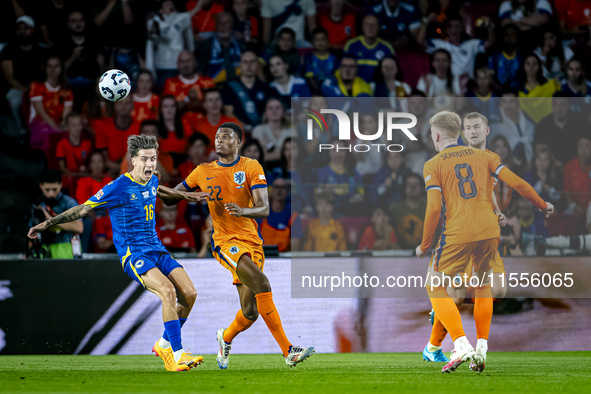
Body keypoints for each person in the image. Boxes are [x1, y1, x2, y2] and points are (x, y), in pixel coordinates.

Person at [28, 134, 211, 371]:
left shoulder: (152, 179)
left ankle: (164, 343)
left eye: (153, 158)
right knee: (167, 291)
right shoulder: (117, 187)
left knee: (190, 293)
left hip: (157, 249)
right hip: (134, 254)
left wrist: (186, 195)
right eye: (144, 159)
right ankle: (176, 355)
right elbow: (83, 209)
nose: (149, 164)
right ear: (133, 160)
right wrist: (47, 223)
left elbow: (159, 191)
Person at [164, 122, 315, 368]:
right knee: (262, 283)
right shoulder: (202, 171)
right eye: (217, 136)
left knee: (250, 312)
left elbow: (264, 208)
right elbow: (170, 197)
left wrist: (243, 210)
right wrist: (178, 193)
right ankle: (288, 351)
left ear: (238, 142)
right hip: (225, 242)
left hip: (252, 242)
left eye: (226, 137)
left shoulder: (250, 166)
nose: (219, 140)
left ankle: (225, 338)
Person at [416, 111, 553, 373]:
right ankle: (479, 348)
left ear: (436, 135)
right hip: (490, 232)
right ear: (461, 133)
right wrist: (542, 204)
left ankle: (459, 343)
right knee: (483, 287)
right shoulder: (486, 158)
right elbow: (518, 183)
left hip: (458, 233)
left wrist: (424, 245)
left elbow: (434, 209)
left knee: (435, 285)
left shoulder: (433, 163)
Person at [423, 112, 508, 364]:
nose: (472, 132)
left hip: (482, 234)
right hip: (462, 236)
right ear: (461, 134)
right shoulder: (461, 158)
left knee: (498, 289)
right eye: (468, 128)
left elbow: (487, 196)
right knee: (455, 293)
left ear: (487, 131)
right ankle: (440, 345)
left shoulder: (489, 159)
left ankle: (443, 332)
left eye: (476, 127)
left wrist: (497, 212)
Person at [0, 16, 47, 132]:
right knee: (17, 103)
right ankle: (20, 131)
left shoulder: (41, 51)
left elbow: (46, 74)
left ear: (32, 30)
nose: (22, 32)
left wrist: (34, 89)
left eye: (25, 28)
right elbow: (9, 78)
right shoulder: (8, 50)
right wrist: (24, 89)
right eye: (19, 29)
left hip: (37, 88)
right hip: (16, 89)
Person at [28, 169, 84, 259]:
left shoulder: (69, 203)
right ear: (41, 186)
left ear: (60, 185)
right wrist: (28, 253)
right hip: (43, 250)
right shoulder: (38, 204)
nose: (51, 193)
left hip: (65, 252)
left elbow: (79, 227)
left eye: (54, 189)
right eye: (47, 190)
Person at [146, 1, 200, 90]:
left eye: (172, 5)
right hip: (162, 67)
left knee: (182, 91)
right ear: (161, 9)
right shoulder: (154, 21)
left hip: (180, 66)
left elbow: (190, 42)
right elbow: (151, 44)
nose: (170, 7)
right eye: (167, 5)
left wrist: (192, 60)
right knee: (166, 92)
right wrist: (150, 69)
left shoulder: (181, 20)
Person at [426, 14, 494, 83]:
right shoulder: (440, 44)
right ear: (446, 29)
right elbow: (420, 41)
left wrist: (490, 27)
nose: (453, 29)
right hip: (449, 86)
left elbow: (490, 42)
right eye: (450, 26)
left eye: (456, 26)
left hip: (469, 85)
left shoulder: (472, 44)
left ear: (462, 28)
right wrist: (426, 21)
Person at [58, 10, 103, 112]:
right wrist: (73, 57)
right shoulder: (62, 43)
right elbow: (58, 70)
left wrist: (102, 65)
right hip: (71, 85)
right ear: (68, 24)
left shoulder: (93, 41)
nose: (78, 24)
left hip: (91, 85)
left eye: (80, 20)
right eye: (74, 21)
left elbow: (102, 69)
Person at [221, 51, 276, 132]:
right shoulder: (229, 88)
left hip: (263, 130)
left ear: (257, 65)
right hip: (238, 131)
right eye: (245, 62)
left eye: (252, 62)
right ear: (240, 65)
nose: (249, 66)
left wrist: (260, 128)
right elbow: (229, 113)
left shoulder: (266, 88)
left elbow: (270, 111)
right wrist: (245, 128)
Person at [28, 55, 74, 153]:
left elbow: (66, 115)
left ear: (61, 69)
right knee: (49, 137)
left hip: (59, 123)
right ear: (45, 69)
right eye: (49, 66)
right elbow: (41, 112)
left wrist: (64, 126)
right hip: (40, 122)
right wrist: (55, 127)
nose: (53, 69)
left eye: (56, 66)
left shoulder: (66, 90)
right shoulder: (36, 86)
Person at [534, 92, 587, 166]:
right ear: (552, 106)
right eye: (556, 104)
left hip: (578, 165)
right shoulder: (543, 125)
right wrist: (554, 161)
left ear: (569, 106)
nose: (559, 108)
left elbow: (587, 145)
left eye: (563, 104)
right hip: (553, 166)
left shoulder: (580, 122)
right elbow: (540, 149)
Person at [183, 88, 242, 153]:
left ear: (221, 102)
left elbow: (239, 148)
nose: (214, 103)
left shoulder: (232, 123)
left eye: (217, 99)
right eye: (210, 100)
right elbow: (191, 150)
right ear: (204, 104)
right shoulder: (197, 125)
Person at [91, 96, 140, 173]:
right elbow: (104, 160)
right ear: (115, 105)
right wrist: (122, 168)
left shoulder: (139, 128)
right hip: (109, 174)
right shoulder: (103, 126)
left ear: (132, 106)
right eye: (120, 103)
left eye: (127, 103)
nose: (124, 106)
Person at [489, 89, 535, 166]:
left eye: (512, 101)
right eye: (505, 101)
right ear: (501, 103)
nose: (508, 106)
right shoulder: (495, 127)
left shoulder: (529, 125)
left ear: (517, 103)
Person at [343, 15, 395, 83]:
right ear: (362, 27)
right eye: (367, 24)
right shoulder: (351, 45)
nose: (370, 27)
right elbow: (343, 69)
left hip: (379, 86)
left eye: (374, 25)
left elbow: (391, 73)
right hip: (355, 84)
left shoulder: (387, 48)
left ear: (378, 28)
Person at [195, 12, 242, 83]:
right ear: (216, 26)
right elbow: (200, 72)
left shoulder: (240, 43)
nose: (223, 26)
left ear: (232, 25)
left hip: (238, 86)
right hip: (215, 87)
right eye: (220, 23)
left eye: (226, 23)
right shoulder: (207, 45)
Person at [258, 178, 300, 252]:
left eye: (282, 187)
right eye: (276, 187)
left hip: (285, 258)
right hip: (264, 256)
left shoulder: (293, 215)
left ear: (287, 191)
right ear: (271, 190)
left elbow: (295, 246)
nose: (279, 190)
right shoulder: (260, 213)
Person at [517, 53, 560, 123]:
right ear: (523, 66)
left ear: (539, 67)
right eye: (528, 64)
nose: (531, 67)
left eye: (534, 64)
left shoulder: (549, 86)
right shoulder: (519, 90)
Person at [388, 173, 426, 250]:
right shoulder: (395, 208)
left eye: (416, 184)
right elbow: (388, 232)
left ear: (422, 188)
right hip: (399, 253)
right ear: (404, 187)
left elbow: (434, 234)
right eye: (409, 184)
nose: (412, 187)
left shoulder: (429, 208)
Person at [56, 112, 92, 189]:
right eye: (73, 125)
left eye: (79, 124)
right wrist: (72, 174)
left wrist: (86, 170)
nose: (77, 128)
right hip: (69, 179)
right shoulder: (61, 144)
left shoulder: (87, 143)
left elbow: (91, 163)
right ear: (67, 127)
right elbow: (61, 167)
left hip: (84, 177)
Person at [252, 98, 292, 163]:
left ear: (283, 111)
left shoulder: (291, 131)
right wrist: (285, 154)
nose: (274, 111)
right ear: (266, 112)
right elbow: (260, 156)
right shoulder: (258, 130)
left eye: (278, 107)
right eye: (270, 108)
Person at [563, 136, 591, 222]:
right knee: (564, 219)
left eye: (587, 146)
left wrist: (587, 209)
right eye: (580, 146)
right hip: (573, 207)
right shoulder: (569, 166)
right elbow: (566, 192)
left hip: (590, 207)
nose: (583, 150)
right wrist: (574, 207)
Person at [487, 24, 522, 89]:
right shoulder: (494, 57)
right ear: (503, 37)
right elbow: (490, 77)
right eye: (507, 35)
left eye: (513, 35)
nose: (510, 38)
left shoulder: (521, 58)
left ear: (517, 38)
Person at [303, 27, 338, 94]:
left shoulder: (334, 58)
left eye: (323, 39)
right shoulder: (309, 58)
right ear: (312, 42)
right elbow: (310, 79)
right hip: (316, 92)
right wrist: (320, 93)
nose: (320, 42)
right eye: (316, 39)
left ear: (328, 41)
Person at [156, 95, 190, 159]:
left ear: (176, 108)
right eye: (165, 106)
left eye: (172, 106)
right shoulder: (155, 127)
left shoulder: (185, 124)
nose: (169, 109)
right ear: (160, 109)